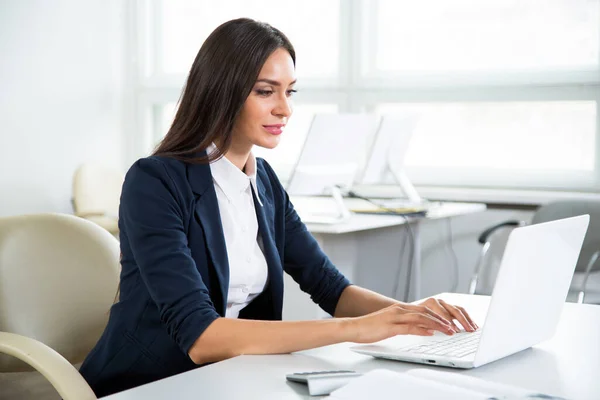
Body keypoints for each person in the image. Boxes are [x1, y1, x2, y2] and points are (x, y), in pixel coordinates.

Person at [79, 18, 478, 397]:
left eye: (290, 91)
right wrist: (355, 329)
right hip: (150, 383)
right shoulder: (154, 182)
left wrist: (411, 315)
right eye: (265, 91)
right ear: (222, 91)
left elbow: (329, 287)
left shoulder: (264, 181)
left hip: (234, 378)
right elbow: (201, 337)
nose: (285, 109)